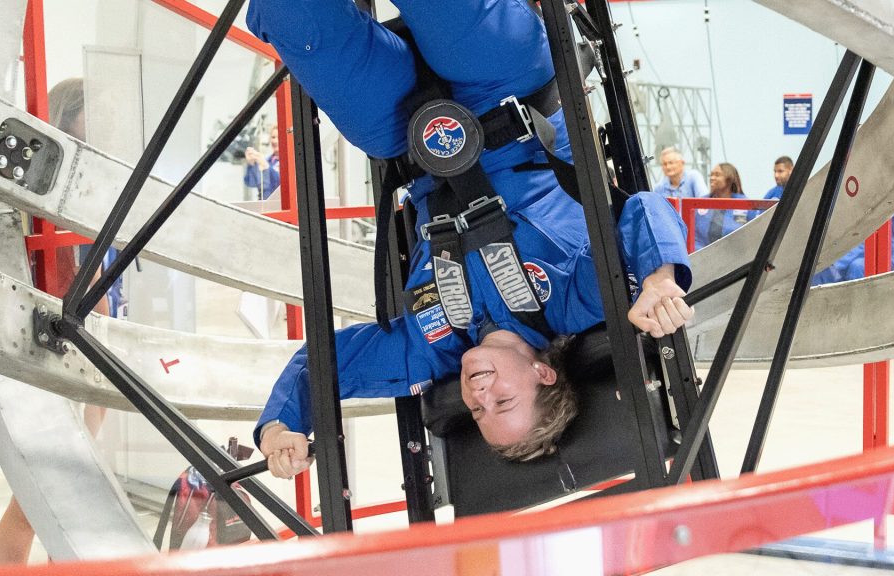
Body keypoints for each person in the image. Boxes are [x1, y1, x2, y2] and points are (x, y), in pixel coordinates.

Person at [248, 0, 695, 472]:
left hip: (407, 132)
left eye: (478, 411)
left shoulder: (430, 350)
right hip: (509, 92)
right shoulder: (576, 303)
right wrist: (660, 278)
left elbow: (330, 364)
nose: (478, 395)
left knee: (293, 18)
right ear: (543, 374)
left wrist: (281, 425)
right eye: (502, 402)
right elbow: (644, 209)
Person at [0, 78, 113, 568]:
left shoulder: (78, 175)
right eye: (92, 119)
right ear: (68, 116)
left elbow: (89, 264)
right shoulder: (41, 176)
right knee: (40, 499)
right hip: (46, 341)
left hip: (77, 340)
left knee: (61, 494)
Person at [694, 163, 756, 250]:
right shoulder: (700, 203)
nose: (712, 178)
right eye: (711, 175)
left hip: (736, 256)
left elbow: (753, 234)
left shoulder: (744, 204)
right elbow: (694, 236)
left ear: (729, 179)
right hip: (703, 257)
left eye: (717, 175)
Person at [243, 124, 281, 200]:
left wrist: (266, 167)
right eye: (273, 137)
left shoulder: (291, 161)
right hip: (263, 204)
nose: (275, 141)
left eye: (279, 137)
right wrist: (251, 164)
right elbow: (250, 183)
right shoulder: (267, 160)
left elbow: (281, 185)